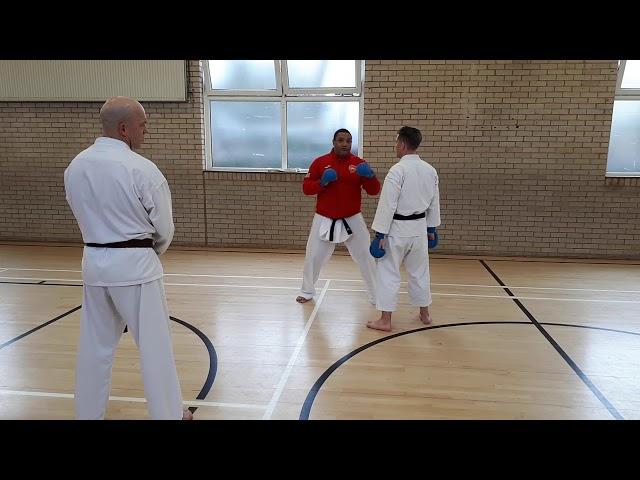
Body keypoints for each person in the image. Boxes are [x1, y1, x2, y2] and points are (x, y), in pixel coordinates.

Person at [64, 96, 191, 420]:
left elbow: (81, 212)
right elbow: (164, 228)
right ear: (124, 128)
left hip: (94, 263)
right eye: (142, 124)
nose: (146, 130)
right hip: (136, 267)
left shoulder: (76, 166)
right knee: (155, 348)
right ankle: (170, 415)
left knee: (94, 349)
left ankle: (86, 415)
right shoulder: (142, 169)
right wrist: (147, 251)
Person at [367, 126, 441, 332]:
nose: (395, 146)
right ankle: (424, 313)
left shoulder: (398, 170)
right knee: (420, 272)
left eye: (396, 142)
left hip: (397, 229)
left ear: (402, 143)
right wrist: (432, 228)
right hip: (419, 228)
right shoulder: (430, 170)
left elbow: (387, 204)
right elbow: (434, 203)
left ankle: (385, 320)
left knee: (388, 272)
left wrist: (380, 234)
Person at [296, 129, 381, 304]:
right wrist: (322, 182)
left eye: (348, 141)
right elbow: (306, 189)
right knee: (313, 255)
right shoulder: (320, 162)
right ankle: (306, 291)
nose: (345, 144)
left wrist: (370, 176)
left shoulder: (359, 164)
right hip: (325, 216)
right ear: (333, 142)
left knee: (366, 255)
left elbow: (374, 191)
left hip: (352, 216)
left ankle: (376, 294)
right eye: (341, 140)